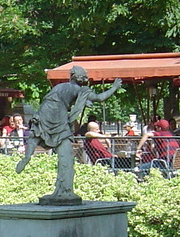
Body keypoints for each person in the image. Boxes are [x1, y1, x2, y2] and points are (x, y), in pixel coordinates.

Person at [16, 65, 123, 202]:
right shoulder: (80, 90)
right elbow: (99, 97)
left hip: (44, 111)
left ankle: (27, 157)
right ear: (82, 78)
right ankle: (65, 190)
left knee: (36, 134)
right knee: (65, 152)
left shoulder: (60, 86)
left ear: (71, 76)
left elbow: (68, 98)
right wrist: (114, 87)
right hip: (58, 115)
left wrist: (84, 101)